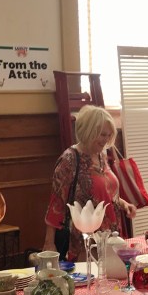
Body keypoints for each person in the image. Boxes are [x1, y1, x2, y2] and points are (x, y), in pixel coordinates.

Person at [43, 105, 136, 261]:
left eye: (109, 135)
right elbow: (56, 203)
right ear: (88, 131)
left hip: (110, 237)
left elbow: (104, 193)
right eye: (102, 134)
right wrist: (49, 243)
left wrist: (124, 204)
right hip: (83, 243)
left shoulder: (101, 155)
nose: (106, 140)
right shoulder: (70, 159)